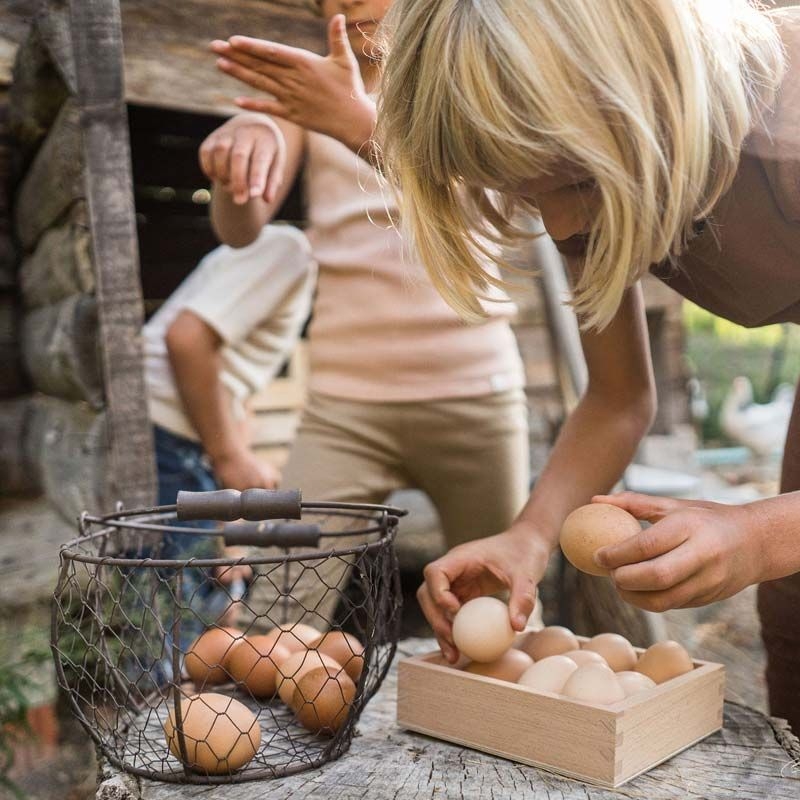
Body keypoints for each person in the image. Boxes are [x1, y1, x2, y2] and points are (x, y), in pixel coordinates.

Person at [366, 0, 800, 733]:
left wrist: (763, 532)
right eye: (529, 195)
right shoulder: (592, 171)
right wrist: (529, 537)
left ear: (654, 91)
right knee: (793, 614)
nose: (563, 227)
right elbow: (617, 398)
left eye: (575, 183)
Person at [202, 0, 532, 630]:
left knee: (496, 613)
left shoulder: (472, 71)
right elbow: (238, 230)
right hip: (343, 408)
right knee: (274, 616)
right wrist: (235, 168)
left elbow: (472, 199)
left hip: (476, 399)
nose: (348, 3)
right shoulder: (312, 88)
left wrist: (350, 119)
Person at [138, 224, 315, 659]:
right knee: (174, 625)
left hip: (186, 437)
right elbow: (187, 340)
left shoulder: (284, 265)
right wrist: (228, 454)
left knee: (205, 600)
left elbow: (235, 388)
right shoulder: (289, 251)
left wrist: (232, 504)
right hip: (170, 435)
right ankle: (167, 714)